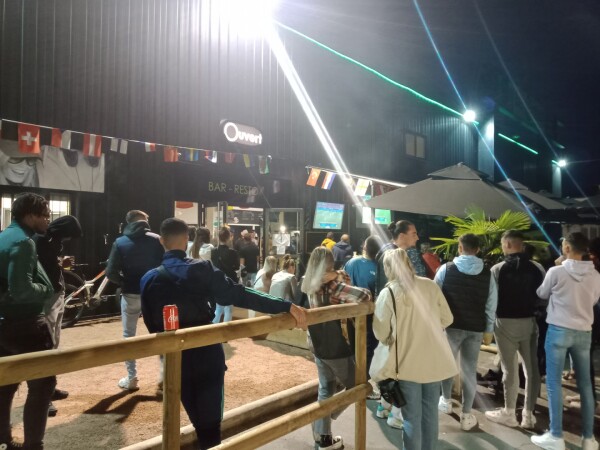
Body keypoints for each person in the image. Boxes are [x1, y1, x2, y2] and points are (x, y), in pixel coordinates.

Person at [140, 218, 307, 450]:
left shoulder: (149, 279)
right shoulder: (202, 269)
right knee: (211, 427)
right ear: (186, 239)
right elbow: (239, 294)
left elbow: (150, 324)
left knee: (193, 418)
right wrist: (285, 305)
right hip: (207, 352)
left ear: (161, 241)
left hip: (173, 356)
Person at [370, 248, 457, 450]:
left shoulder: (388, 293)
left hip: (407, 364)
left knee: (411, 418)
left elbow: (380, 333)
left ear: (388, 268)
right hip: (434, 362)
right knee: (430, 415)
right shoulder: (430, 285)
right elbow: (448, 318)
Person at [531, 232, 600, 450]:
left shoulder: (556, 271)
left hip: (559, 330)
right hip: (584, 332)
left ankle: (556, 435)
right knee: (585, 385)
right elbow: (594, 299)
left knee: (553, 383)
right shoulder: (595, 275)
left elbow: (542, 293)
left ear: (567, 248)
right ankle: (589, 439)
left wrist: (557, 267)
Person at [301, 246, 372, 450]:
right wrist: (339, 277)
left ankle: (323, 436)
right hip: (336, 346)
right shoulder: (333, 287)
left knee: (326, 388)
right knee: (358, 386)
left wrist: (338, 276)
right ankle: (320, 421)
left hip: (316, 342)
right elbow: (365, 295)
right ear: (331, 263)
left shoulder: (307, 282)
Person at [0, 193, 54, 450]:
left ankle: (3, 441)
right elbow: (21, 290)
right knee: (42, 384)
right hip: (26, 324)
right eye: (45, 215)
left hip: (4, 323)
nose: (48, 220)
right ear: (31, 216)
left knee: (5, 384)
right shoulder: (24, 242)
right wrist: (47, 290)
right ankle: (34, 446)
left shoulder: (4, 237)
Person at [434, 234, 497, 431]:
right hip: (475, 328)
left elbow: (434, 297)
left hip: (451, 326)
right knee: (469, 370)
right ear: (477, 250)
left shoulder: (445, 269)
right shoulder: (488, 274)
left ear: (459, 248)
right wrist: (489, 329)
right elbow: (491, 305)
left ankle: (445, 400)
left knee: (447, 365)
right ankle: (467, 415)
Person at [484, 230, 545, 429]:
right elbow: (544, 296)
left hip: (505, 322)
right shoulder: (537, 268)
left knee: (509, 369)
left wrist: (488, 324)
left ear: (508, 244)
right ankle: (529, 415)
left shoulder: (497, 269)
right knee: (531, 369)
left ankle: (509, 412)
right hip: (530, 322)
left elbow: (491, 300)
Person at [106, 209, 164, 391]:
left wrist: (124, 281)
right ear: (144, 220)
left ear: (129, 222)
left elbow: (110, 272)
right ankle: (165, 376)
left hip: (130, 292)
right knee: (162, 334)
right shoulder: (157, 239)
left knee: (128, 335)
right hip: (154, 293)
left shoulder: (120, 242)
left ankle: (132, 378)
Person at [33, 215, 83, 416]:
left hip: (57, 293)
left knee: (53, 343)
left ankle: (50, 388)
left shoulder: (51, 239)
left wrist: (60, 264)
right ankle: (43, 396)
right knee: (46, 344)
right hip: (47, 296)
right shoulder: (40, 240)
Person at [343, 235, 382, 396]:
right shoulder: (379, 267)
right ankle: (363, 386)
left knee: (355, 348)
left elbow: (343, 285)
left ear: (364, 246)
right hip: (370, 316)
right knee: (368, 350)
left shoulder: (351, 263)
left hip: (350, 312)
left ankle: (355, 384)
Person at [375, 220, 426, 296]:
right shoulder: (392, 255)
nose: (417, 238)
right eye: (414, 234)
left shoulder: (389, 251)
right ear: (402, 236)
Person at [211, 226, 240, 324]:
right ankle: (226, 330)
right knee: (228, 309)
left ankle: (213, 329)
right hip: (229, 281)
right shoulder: (233, 252)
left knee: (218, 309)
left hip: (217, 281)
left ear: (219, 238)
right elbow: (237, 267)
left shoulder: (214, 251)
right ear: (228, 238)